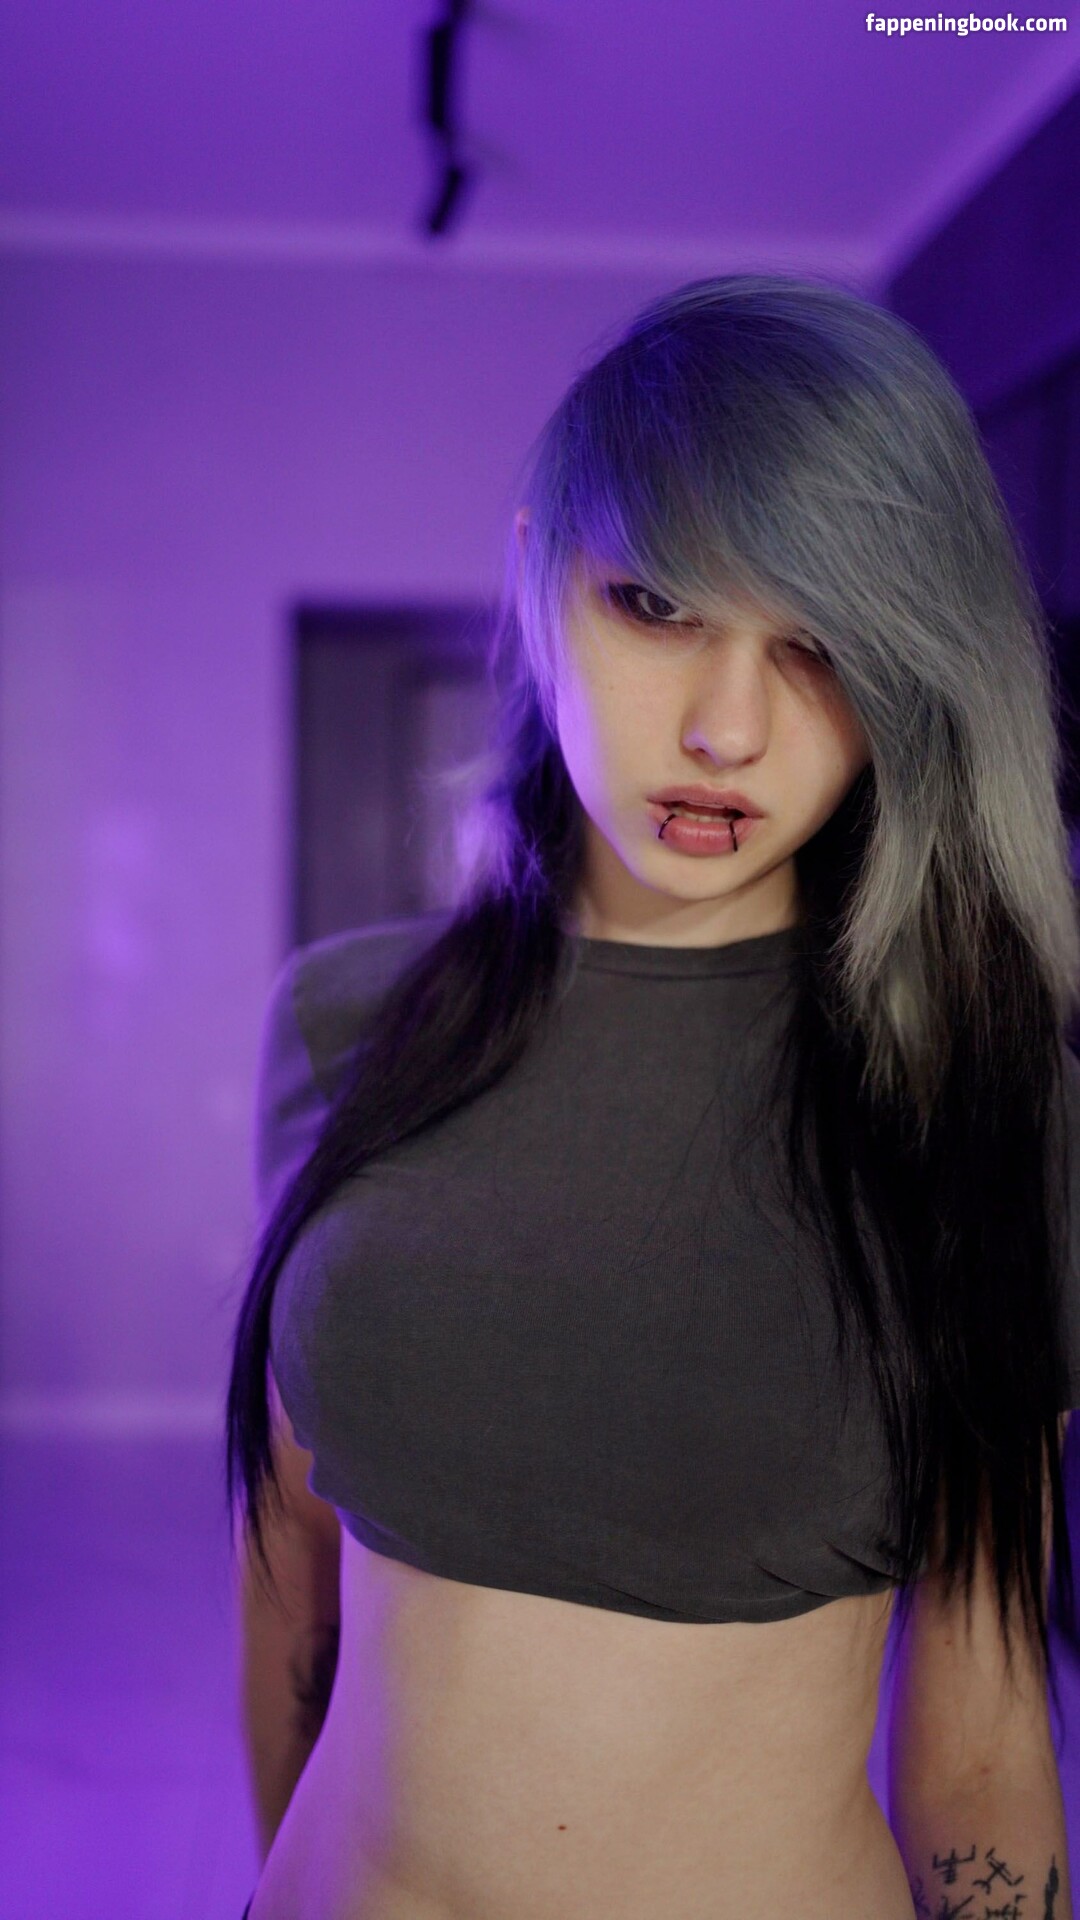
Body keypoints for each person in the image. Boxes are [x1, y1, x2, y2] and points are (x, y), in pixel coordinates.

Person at [227, 274, 1080, 1920]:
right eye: (656, 602)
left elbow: (980, 1747)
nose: (725, 728)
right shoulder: (345, 1026)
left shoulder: (985, 1104)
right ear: (542, 575)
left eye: (820, 645)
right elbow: (291, 1594)